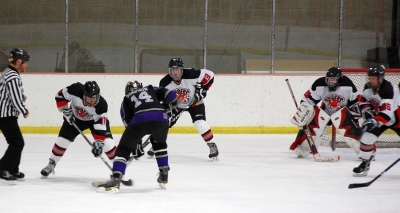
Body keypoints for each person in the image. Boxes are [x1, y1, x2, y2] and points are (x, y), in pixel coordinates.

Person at [96, 80, 179, 193]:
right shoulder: (150, 88)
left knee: (124, 149)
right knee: (160, 144)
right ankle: (164, 173)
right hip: (162, 118)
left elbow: (130, 126)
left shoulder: (126, 100)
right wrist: (172, 104)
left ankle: (116, 179)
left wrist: (136, 145)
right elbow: (171, 95)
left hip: (140, 119)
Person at [147, 58, 219, 160]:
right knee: (163, 123)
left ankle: (212, 146)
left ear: (182, 69)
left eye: (177, 70)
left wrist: (204, 89)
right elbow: (163, 99)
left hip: (195, 102)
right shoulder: (165, 82)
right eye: (173, 70)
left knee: (200, 124)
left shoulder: (191, 74)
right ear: (169, 71)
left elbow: (210, 75)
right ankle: (157, 144)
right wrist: (169, 109)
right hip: (176, 105)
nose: (175, 73)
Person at [40, 81, 116, 178]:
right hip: (75, 119)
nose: (93, 101)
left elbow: (100, 124)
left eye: (95, 98)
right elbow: (59, 95)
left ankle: (118, 168)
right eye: (90, 98)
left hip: (94, 122)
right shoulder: (75, 90)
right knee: (62, 141)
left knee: (107, 144)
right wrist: (65, 110)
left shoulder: (102, 104)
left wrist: (99, 142)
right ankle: (51, 164)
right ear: (84, 95)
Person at [289, 67, 363, 159]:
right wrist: (304, 111)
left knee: (348, 131)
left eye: (333, 80)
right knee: (316, 126)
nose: (330, 82)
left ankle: (364, 151)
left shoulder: (348, 85)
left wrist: (355, 116)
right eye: (329, 79)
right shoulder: (319, 84)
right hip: (326, 112)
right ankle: (304, 149)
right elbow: (307, 100)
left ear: (339, 79)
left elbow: (357, 102)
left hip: (343, 113)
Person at [353, 65, 400, 176]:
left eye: (374, 78)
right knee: (366, 138)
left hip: (397, 119)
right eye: (370, 78)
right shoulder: (368, 87)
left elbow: (387, 114)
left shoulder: (389, 89)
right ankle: (365, 163)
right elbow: (364, 101)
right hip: (379, 119)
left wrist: (373, 121)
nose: (371, 80)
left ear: (380, 78)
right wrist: (367, 111)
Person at [0, 48, 30, 184]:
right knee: (17, 143)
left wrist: (20, 96)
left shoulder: (8, 73)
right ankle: (4, 168)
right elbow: (15, 99)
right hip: (5, 115)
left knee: (16, 142)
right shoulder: (13, 76)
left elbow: (9, 93)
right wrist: (24, 110)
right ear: (18, 62)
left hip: (5, 114)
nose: (26, 65)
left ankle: (12, 169)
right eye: (25, 62)